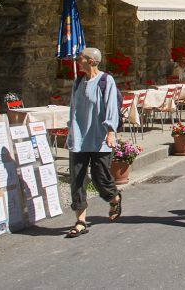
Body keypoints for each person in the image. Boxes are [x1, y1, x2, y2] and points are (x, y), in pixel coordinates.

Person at [65, 47, 122, 238]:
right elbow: (73, 108)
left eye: (80, 58)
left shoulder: (106, 81)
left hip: (100, 138)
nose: (77, 60)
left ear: (91, 61)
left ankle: (113, 198)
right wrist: (71, 133)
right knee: (77, 180)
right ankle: (80, 221)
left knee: (100, 178)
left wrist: (111, 132)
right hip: (79, 140)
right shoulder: (79, 81)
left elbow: (112, 107)